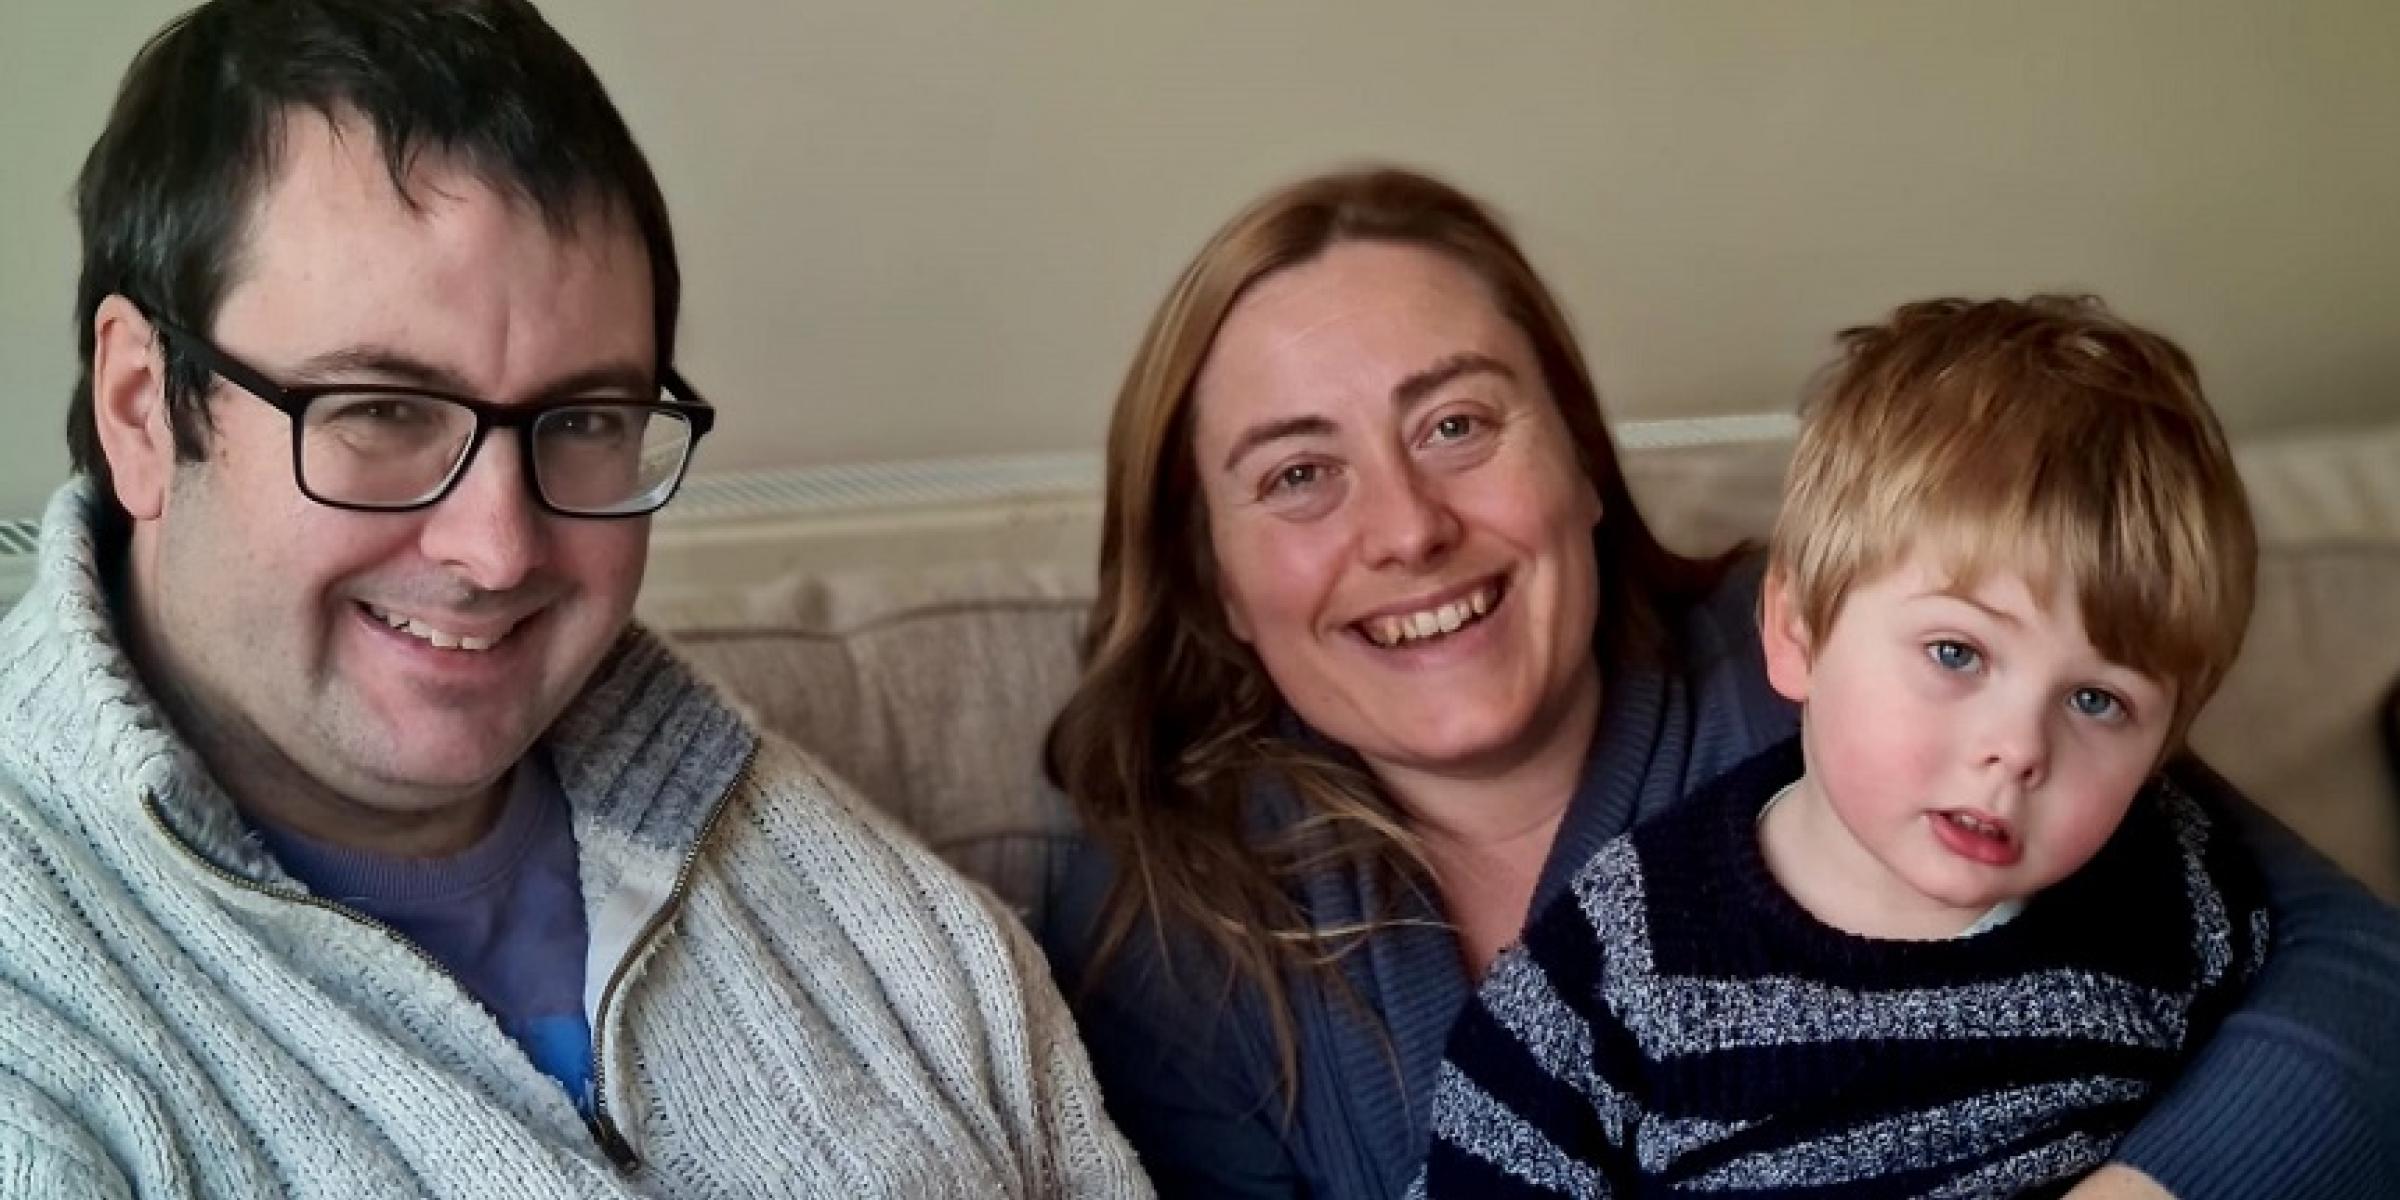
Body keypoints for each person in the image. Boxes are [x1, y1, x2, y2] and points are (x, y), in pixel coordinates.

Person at [1037, 166, 2400, 1199]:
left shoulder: (1870, 674)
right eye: (1297, 475)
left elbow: (2361, 974)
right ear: (1214, 571)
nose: (1405, 527)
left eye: (1456, 424)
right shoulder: (1159, 911)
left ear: (1581, 453)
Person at [0, 2, 1147, 1196]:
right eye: (384, 411)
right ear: (143, 407)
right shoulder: (38, 1055)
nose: (498, 549)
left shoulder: (883, 922)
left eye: (587, 421)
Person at [1415, 295, 2270, 1198]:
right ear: (1797, 633)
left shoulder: (2179, 892)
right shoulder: (1620, 963)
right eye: (1957, 653)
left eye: (2098, 700)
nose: (2020, 749)